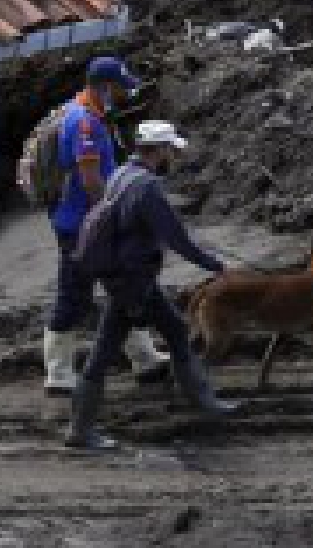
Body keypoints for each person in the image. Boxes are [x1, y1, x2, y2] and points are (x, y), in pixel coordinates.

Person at [67, 120, 239, 452]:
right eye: (170, 150)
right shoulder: (146, 188)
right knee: (105, 352)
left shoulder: (120, 174)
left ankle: (204, 401)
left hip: (124, 276)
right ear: (158, 150)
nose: (172, 156)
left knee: (175, 330)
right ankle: (80, 430)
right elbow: (177, 238)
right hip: (133, 280)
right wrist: (216, 265)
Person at [43, 58, 168, 399]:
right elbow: (89, 179)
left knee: (123, 286)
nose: (125, 94)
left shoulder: (91, 114)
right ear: (105, 86)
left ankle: (143, 356)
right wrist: (111, 212)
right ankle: (57, 371)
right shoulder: (83, 123)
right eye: (121, 87)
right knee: (75, 293)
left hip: (89, 221)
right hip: (82, 225)